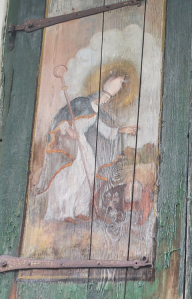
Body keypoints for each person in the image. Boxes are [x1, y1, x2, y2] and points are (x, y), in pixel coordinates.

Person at [35, 76, 137, 223]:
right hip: (69, 142)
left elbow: (105, 130)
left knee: (89, 171)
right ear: (99, 94)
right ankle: (64, 212)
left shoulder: (97, 111)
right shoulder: (81, 102)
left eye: (108, 99)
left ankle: (80, 209)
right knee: (73, 174)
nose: (106, 101)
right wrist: (68, 129)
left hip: (81, 141)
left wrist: (122, 130)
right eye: (106, 97)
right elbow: (61, 116)